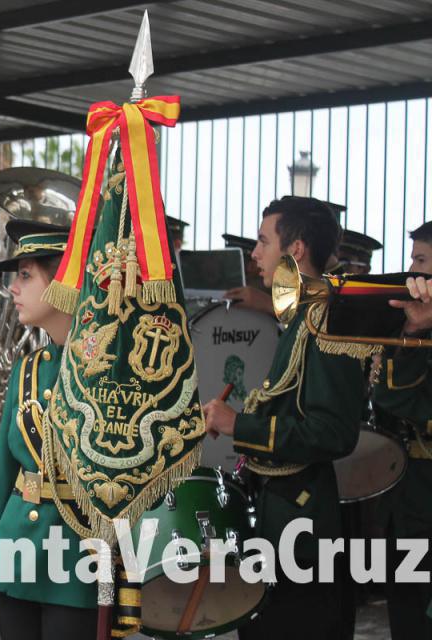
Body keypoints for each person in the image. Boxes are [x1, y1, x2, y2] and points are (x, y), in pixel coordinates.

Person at [202, 196, 364, 639]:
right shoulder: (302, 317)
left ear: (295, 250)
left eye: (262, 241)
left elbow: (334, 432)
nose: (254, 254)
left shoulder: (327, 319)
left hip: (304, 531)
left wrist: (241, 425)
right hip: (280, 519)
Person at [0, 220, 96, 640]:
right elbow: (1, 478)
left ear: (63, 283)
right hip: (15, 556)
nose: (13, 289)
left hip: (80, 562)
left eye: (25, 275)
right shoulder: (27, 368)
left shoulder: (110, 371)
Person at [370, 223, 432, 639]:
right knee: (408, 610)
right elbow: (389, 400)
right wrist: (413, 332)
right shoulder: (414, 322)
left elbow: (408, 402)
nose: (411, 271)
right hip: (413, 496)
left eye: (421, 261)